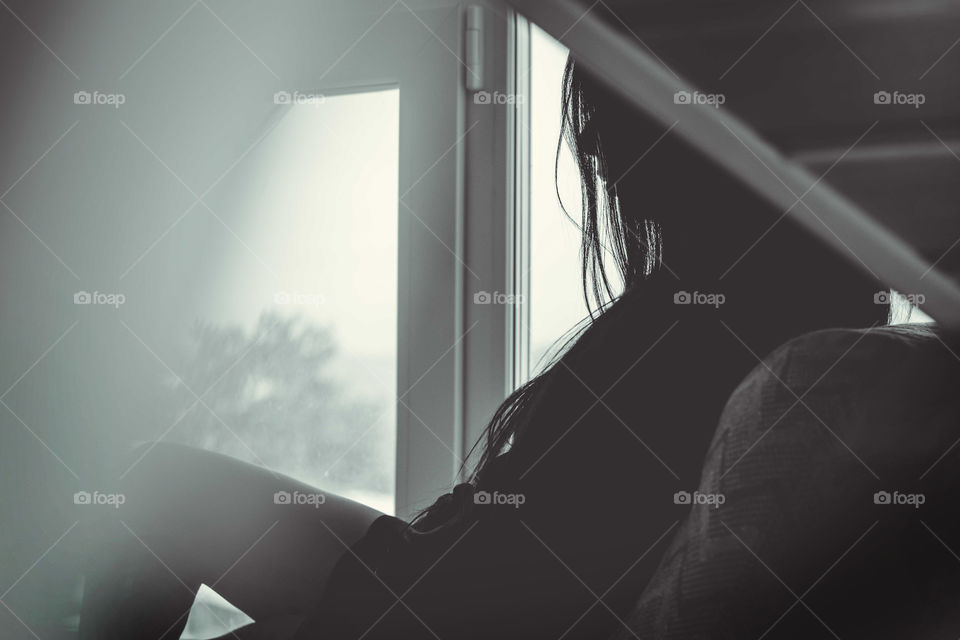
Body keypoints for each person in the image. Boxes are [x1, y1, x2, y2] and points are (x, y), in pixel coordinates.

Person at [287, 55, 891, 639]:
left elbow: (523, 585)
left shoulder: (676, 347)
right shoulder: (770, 320)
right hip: (423, 571)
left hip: (410, 598)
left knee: (193, 496)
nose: (593, 149)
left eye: (605, 112)